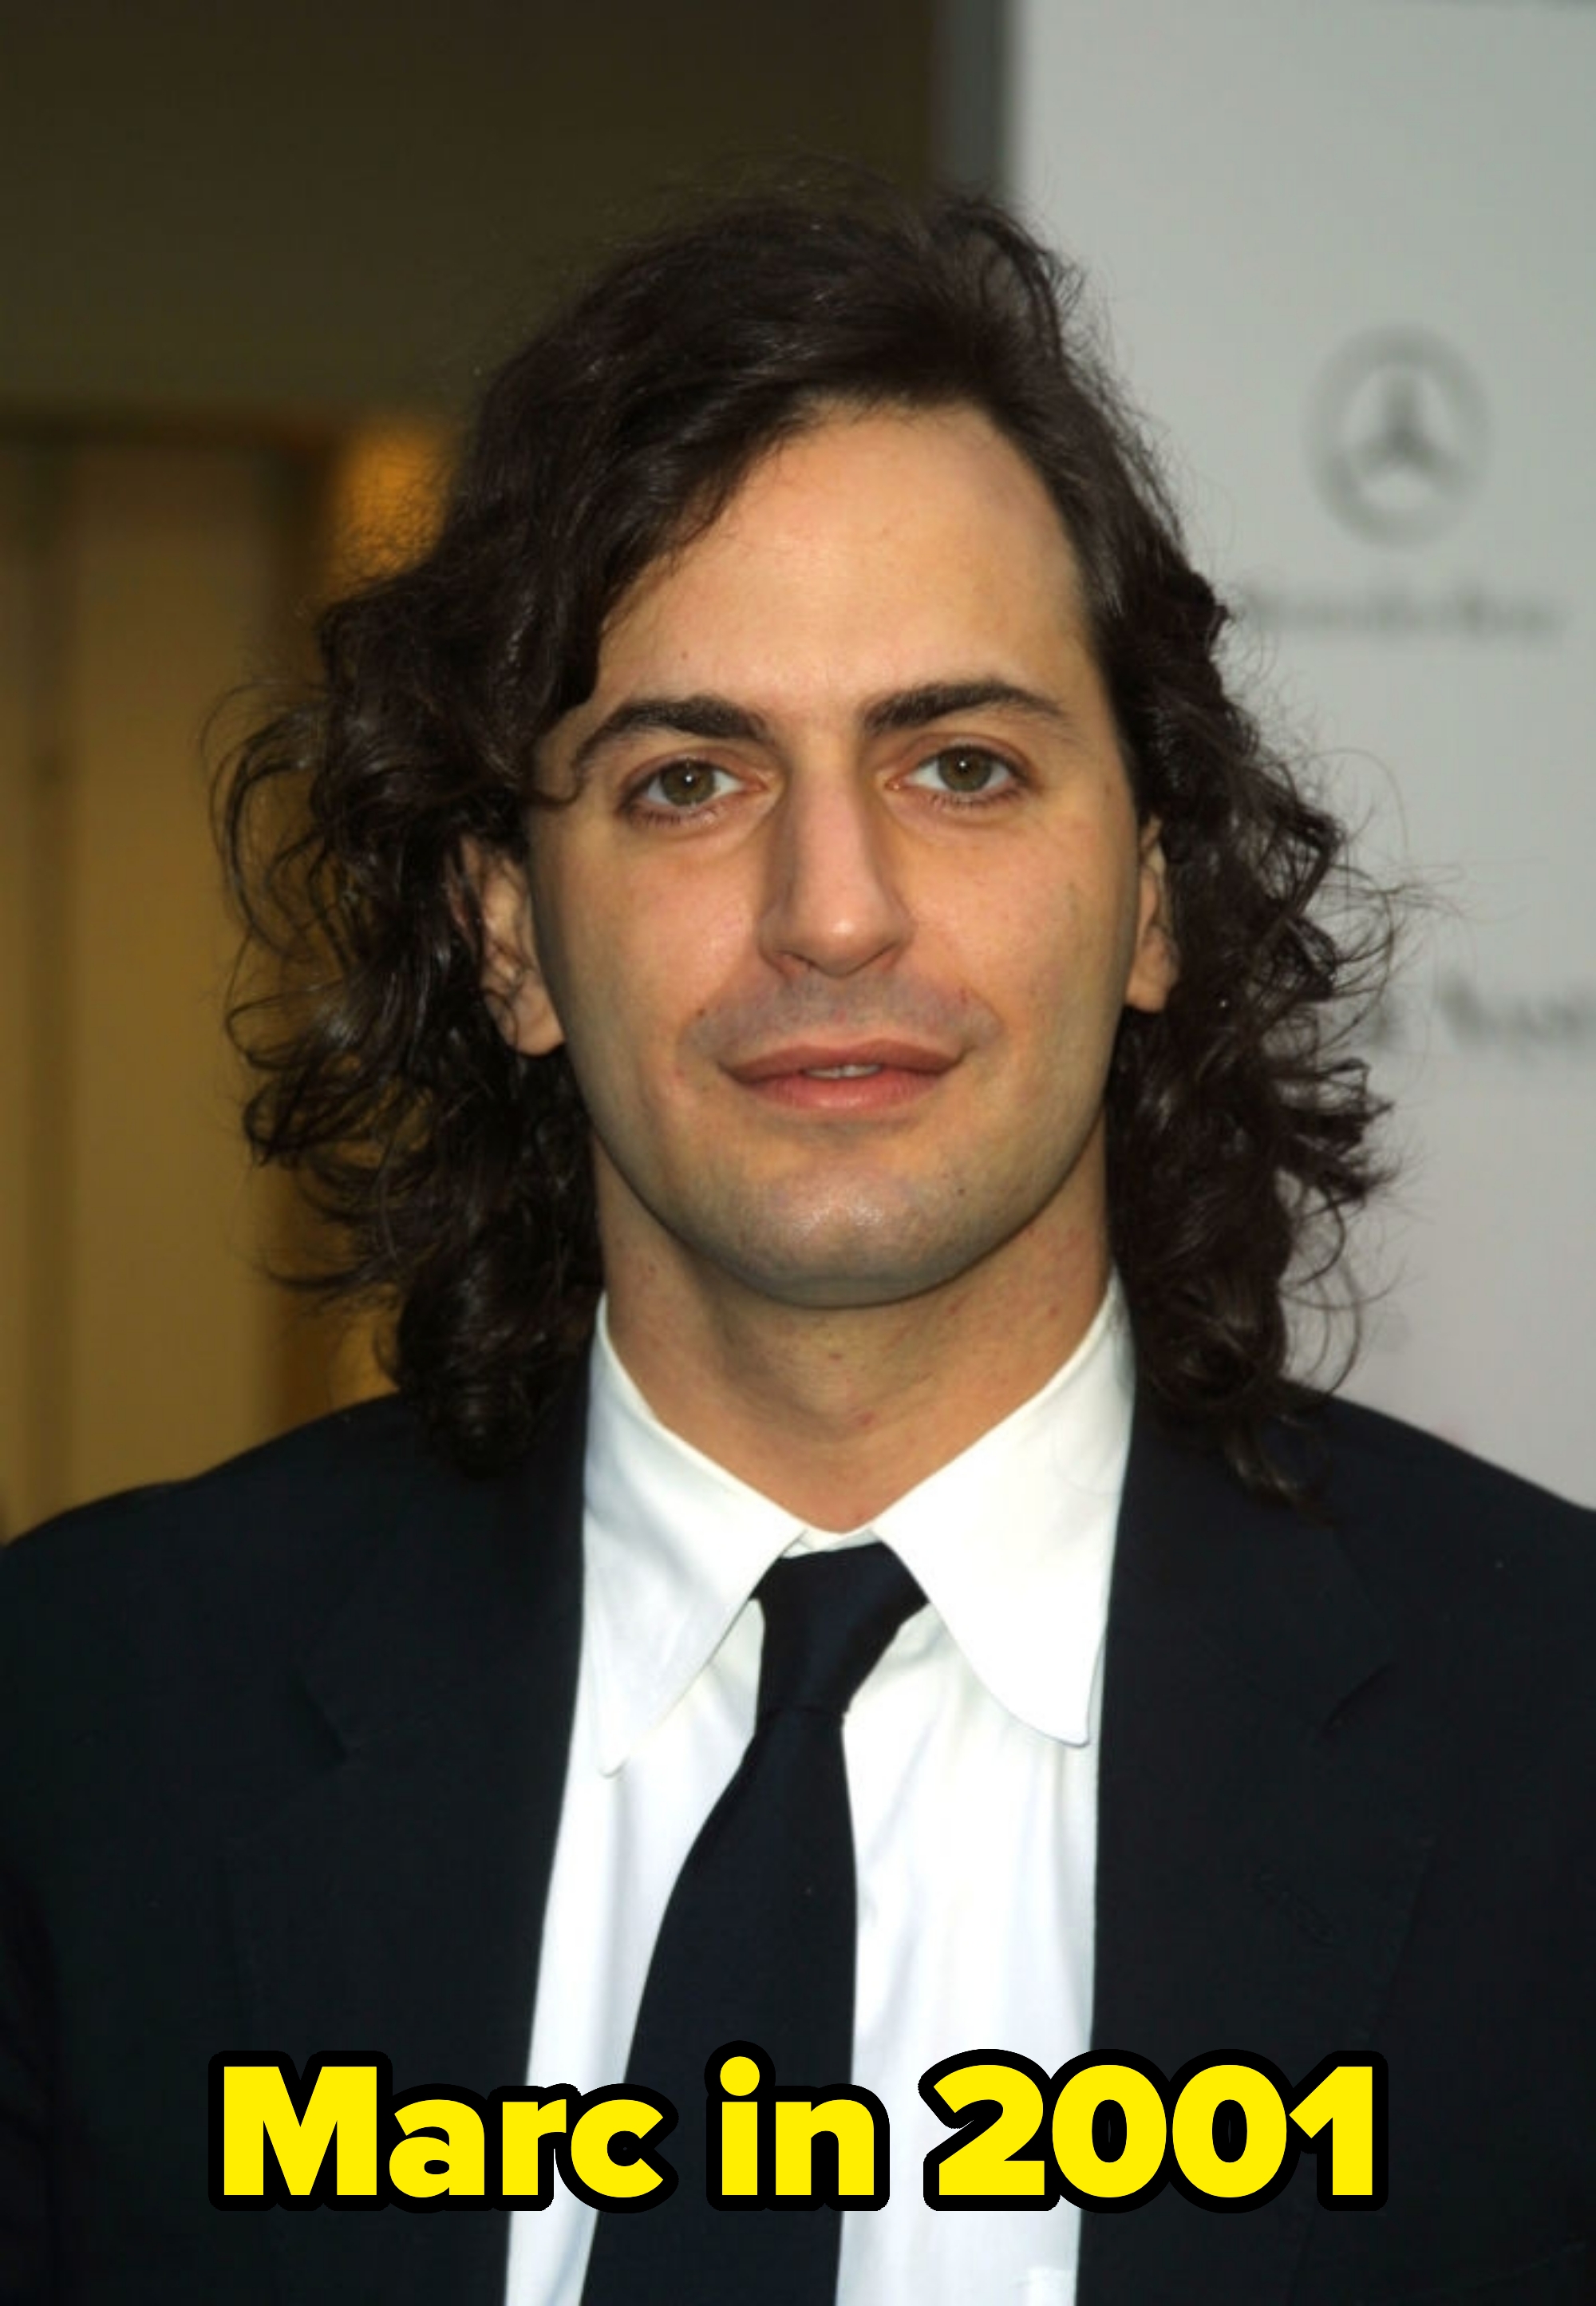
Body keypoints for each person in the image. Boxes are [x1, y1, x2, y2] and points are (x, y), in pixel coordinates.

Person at [2, 182, 1591, 2306]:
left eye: (962, 764)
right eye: (687, 780)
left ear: (1152, 894)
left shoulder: (1553, 1753)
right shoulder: (84, 1726)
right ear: (507, 933)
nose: (832, 909)